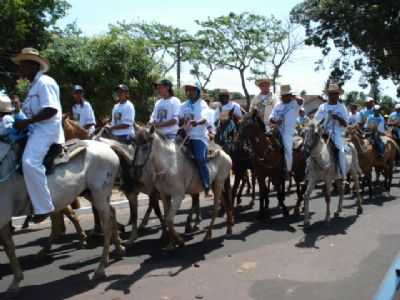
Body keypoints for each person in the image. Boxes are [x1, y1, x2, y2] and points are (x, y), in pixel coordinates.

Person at [12, 47, 65, 223]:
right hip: (35, 129)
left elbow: (51, 110)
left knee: (29, 162)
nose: (20, 69)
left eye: (23, 65)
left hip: (47, 130)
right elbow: (29, 114)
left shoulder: (45, 82)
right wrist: (19, 110)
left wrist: (26, 123)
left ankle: (44, 207)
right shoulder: (33, 86)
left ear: (34, 65)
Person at [179, 82, 210, 194]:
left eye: (192, 90)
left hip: (198, 137)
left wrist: (196, 122)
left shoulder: (202, 104)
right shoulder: (183, 105)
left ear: (197, 91)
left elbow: (205, 118)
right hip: (184, 137)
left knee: (200, 159)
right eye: (187, 90)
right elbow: (179, 119)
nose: (189, 92)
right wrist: (181, 122)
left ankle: (206, 184)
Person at [314, 83, 349, 179]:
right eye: (331, 94)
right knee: (310, 148)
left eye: (336, 94)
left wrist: (337, 118)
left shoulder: (341, 107)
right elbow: (316, 120)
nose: (334, 95)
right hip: (323, 133)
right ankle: (309, 174)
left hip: (336, 133)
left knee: (341, 151)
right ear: (328, 95)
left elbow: (346, 124)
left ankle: (343, 175)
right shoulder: (322, 107)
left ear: (338, 95)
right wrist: (320, 122)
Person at [269, 85, 303, 178]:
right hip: (277, 129)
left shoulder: (295, 104)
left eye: (287, 95)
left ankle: (288, 170)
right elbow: (271, 118)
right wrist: (275, 121)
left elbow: (301, 101)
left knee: (288, 148)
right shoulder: (278, 105)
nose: (284, 97)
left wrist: (294, 96)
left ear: (290, 95)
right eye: (283, 95)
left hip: (288, 131)